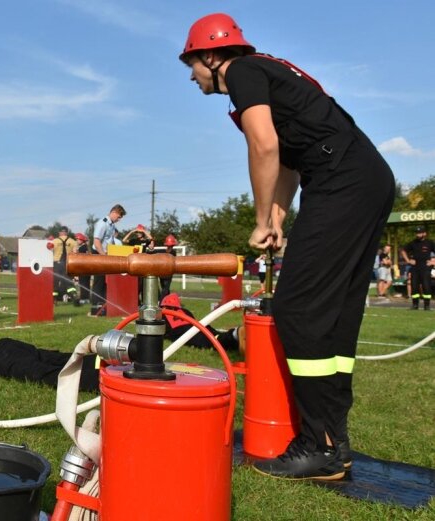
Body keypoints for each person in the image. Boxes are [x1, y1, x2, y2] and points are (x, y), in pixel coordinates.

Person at [180, 13, 395, 480]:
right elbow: (291, 162)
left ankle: (319, 445)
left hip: (341, 181)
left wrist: (259, 220)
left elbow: (264, 147)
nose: (192, 75)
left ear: (212, 56)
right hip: (364, 177)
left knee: (298, 309)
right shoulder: (269, 71)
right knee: (334, 314)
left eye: (192, 64)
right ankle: (334, 441)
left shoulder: (242, 72)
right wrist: (277, 216)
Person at [161, 293, 242, 352]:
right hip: (196, 327)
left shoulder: (163, 315)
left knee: (212, 342)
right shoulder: (185, 311)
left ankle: (234, 336)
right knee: (214, 334)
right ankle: (234, 336)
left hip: (185, 332)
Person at [90, 204, 126, 316]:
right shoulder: (103, 223)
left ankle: (104, 306)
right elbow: (97, 242)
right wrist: (103, 256)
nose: (119, 220)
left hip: (106, 254)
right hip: (99, 253)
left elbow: (111, 241)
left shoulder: (111, 225)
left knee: (106, 282)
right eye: (119, 217)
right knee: (98, 282)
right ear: (114, 212)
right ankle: (95, 309)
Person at [401, 226, 434, 310]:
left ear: (424, 233)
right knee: (414, 286)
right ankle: (415, 305)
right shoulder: (413, 243)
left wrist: (433, 262)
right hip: (415, 268)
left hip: (425, 268)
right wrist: (408, 260)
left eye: (420, 232)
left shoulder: (430, 243)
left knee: (426, 286)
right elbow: (403, 250)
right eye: (417, 232)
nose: (418, 234)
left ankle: (427, 306)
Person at [52, 226, 78, 302]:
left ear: (59, 233)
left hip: (57, 264)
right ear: (67, 232)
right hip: (68, 264)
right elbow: (76, 253)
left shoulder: (54, 241)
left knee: (55, 281)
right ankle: (73, 295)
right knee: (69, 281)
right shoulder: (73, 242)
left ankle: (54, 299)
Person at [159, 234, 179, 300]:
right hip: (168, 273)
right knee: (165, 289)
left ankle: (167, 302)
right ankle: (161, 302)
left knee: (165, 289)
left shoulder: (162, 252)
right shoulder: (173, 252)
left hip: (161, 273)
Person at [74, 232, 92, 304]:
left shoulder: (81, 248)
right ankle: (86, 299)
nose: (77, 241)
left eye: (77, 239)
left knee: (83, 284)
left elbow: (79, 258)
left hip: (82, 268)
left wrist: (75, 252)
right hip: (87, 268)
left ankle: (83, 299)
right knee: (86, 284)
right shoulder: (86, 247)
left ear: (81, 240)